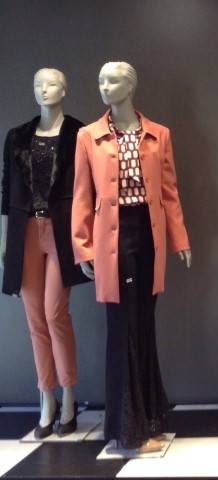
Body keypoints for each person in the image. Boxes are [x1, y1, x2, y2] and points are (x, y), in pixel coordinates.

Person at [71, 62, 191, 453]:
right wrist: (83, 246)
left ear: (131, 85)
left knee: (144, 323)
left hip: (149, 232)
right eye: (101, 80)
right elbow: (82, 195)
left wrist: (179, 239)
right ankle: (127, 432)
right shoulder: (88, 136)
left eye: (114, 80)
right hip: (113, 235)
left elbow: (169, 192)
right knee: (123, 326)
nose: (105, 87)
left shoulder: (158, 134)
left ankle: (148, 419)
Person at [1, 68, 89, 438]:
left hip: (62, 230)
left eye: (51, 84)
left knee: (55, 314)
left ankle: (68, 395)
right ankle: (46, 398)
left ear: (64, 89)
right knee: (35, 318)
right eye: (37, 84)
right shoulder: (17, 135)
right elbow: (7, 188)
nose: (43, 89)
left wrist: (87, 240)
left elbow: (87, 188)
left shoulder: (79, 133)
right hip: (25, 232)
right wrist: (5, 241)